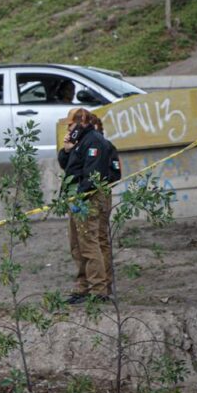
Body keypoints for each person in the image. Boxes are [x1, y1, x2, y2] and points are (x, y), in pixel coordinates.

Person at [57, 108, 118, 305]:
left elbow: (93, 176)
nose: (68, 128)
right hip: (79, 198)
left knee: (90, 243)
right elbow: (69, 167)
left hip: (87, 199)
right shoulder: (81, 142)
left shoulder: (95, 142)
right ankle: (83, 287)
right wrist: (66, 149)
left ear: (81, 122)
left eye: (71, 125)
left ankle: (99, 289)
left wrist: (79, 198)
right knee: (78, 245)